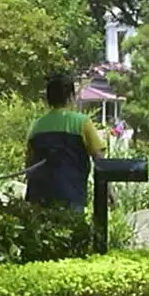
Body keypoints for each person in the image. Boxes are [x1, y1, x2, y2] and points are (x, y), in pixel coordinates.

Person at [25, 73, 107, 212]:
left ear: (48, 99)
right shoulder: (82, 122)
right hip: (71, 195)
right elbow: (99, 159)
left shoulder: (36, 126)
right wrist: (108, 190)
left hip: (38, 196)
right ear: (71, 97)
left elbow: (29, 163)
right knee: (72, 232)